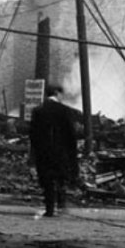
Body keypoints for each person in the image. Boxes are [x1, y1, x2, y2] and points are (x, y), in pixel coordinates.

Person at [29, 84, 80, 217]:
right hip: (61, 152)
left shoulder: (38, 111)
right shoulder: (66, 111)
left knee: (47, 181)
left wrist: (33, 155)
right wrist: (72, 155)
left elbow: (33, 136)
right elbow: (71, 135)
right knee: (60, 178)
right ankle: (62, 204)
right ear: (58, 94)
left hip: (43, 152)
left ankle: (49, 209)